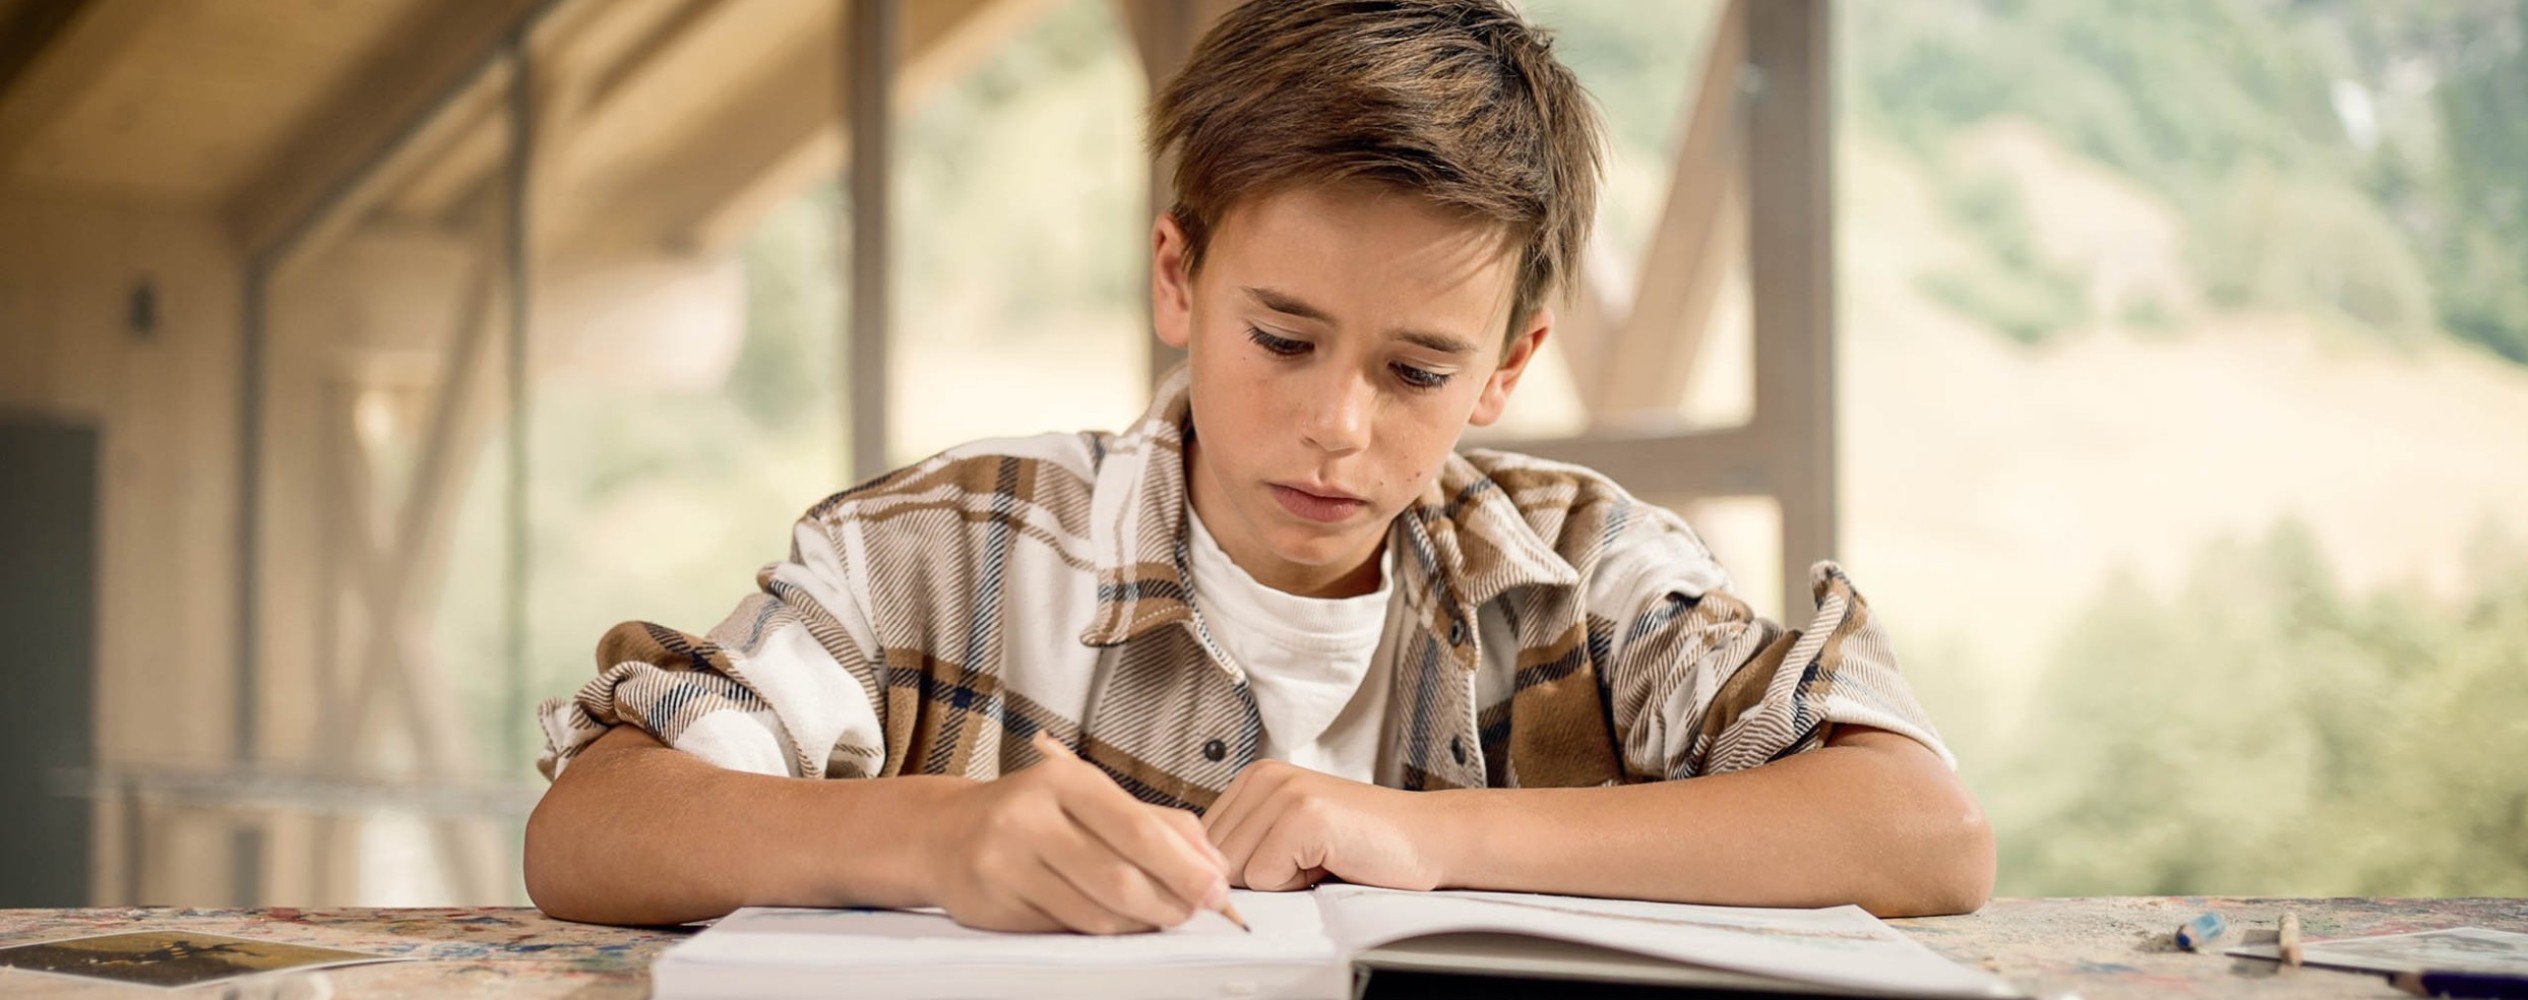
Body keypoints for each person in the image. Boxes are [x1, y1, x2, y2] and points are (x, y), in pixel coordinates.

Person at [522, 0, 1993, 934]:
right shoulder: (945, 551)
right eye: (1281, 337)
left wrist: (1425, 840)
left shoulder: (1585, 575)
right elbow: (587, 831)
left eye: (1418, 372)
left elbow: (1925, 835)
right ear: (1178, 276)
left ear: (1511, 367)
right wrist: (932, 831)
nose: (1339, 426)